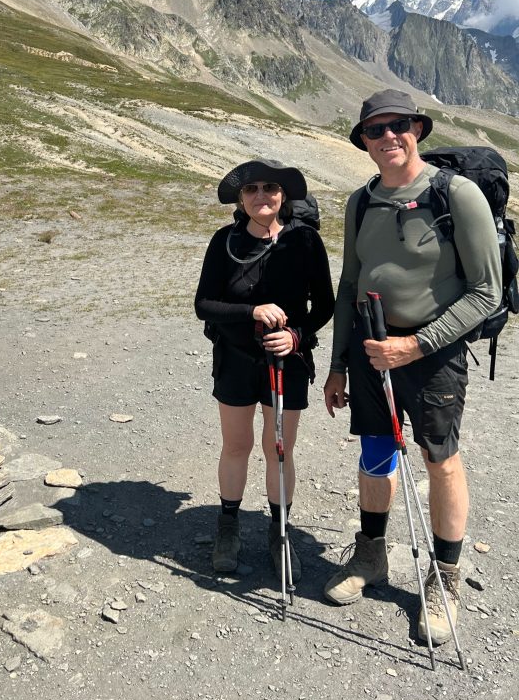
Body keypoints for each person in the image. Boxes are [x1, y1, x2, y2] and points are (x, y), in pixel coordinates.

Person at [323, 89, 501, 644]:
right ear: (364, 142)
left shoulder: (458, 194)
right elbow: (351, 283)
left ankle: (445, 577)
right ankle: (371, 554)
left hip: (433, 351)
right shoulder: (361, 201)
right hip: (370, 349)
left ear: (417, 129)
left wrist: (417, 346)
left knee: (439, 458)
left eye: (398, 125)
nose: (388, 137)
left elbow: (486, 292)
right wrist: (337, 364)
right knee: (375, 451)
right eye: (375, 130)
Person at [195, 159, 335, 577]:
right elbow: (204, 304)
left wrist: (296, 336)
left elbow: (324, 305)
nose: (261, 196)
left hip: (287, 363)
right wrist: (252, 310)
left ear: (283, 195)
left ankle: (280, 531)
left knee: (279, 449)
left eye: (269, 188)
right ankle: (228, 524)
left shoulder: (306, 242)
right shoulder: (224, 242)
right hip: (236, 360)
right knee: (236, 445)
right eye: (251, 189)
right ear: (240, 199)